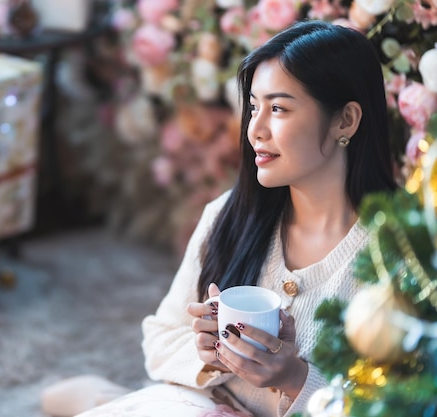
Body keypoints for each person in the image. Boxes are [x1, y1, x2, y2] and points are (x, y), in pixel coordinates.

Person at [51, 19, 398, 417]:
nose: (255, 130)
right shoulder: (231, 215)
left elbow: (408, 400)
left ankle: (99, 395)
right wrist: (209, 355)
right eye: (253, 107)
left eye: (279, 108)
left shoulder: (400, 251)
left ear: (346, 121)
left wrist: (295, 379)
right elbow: (160, 338)